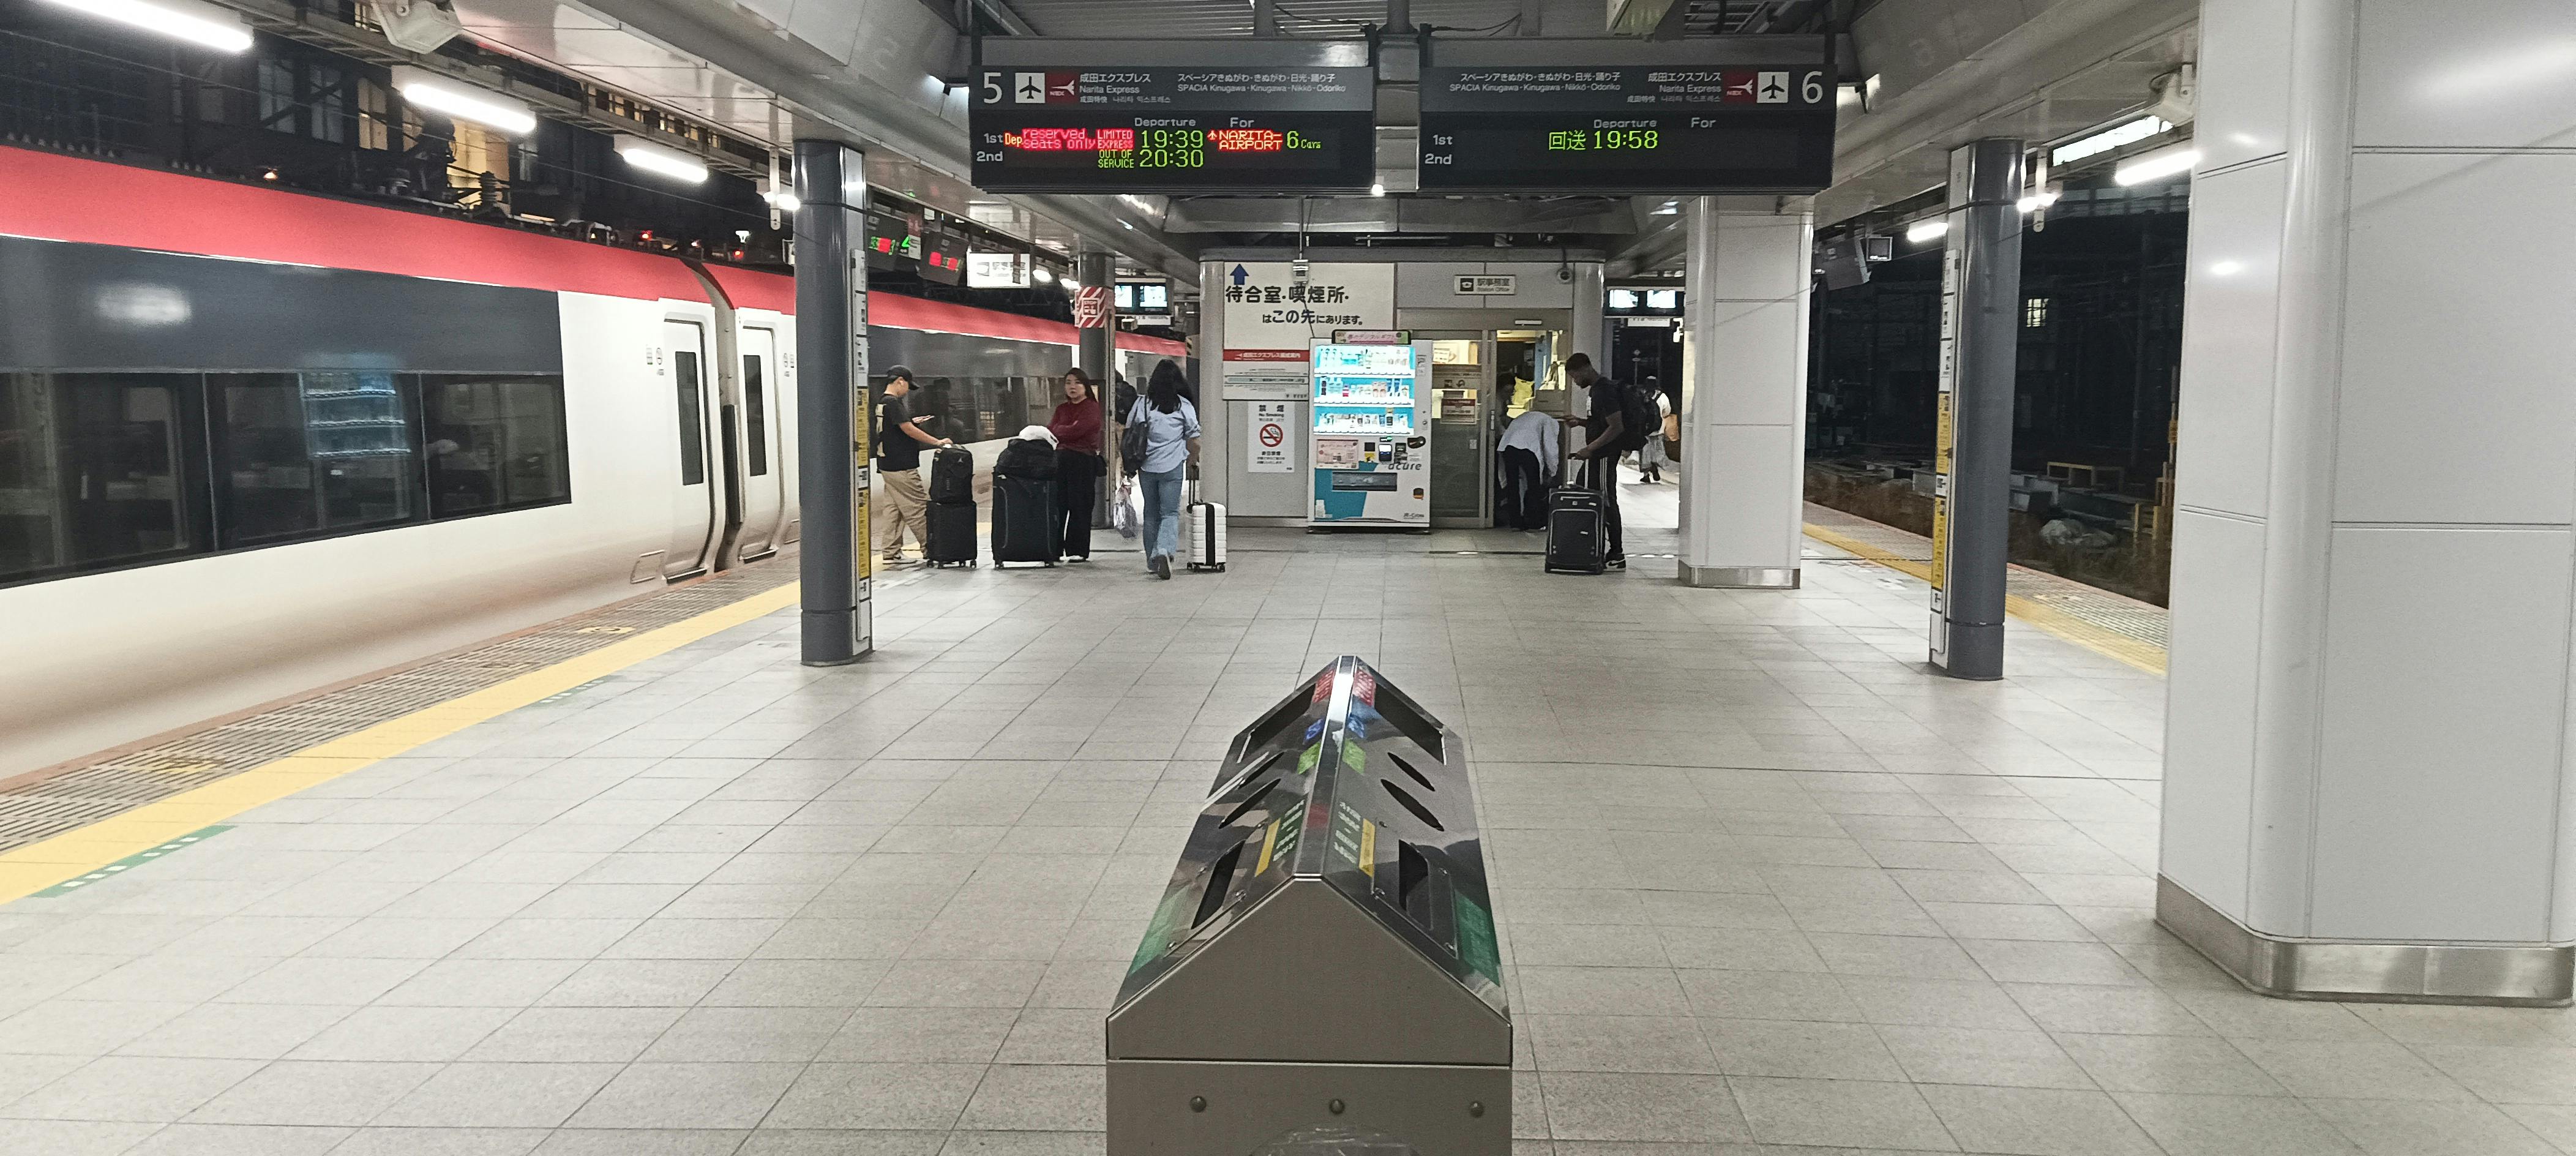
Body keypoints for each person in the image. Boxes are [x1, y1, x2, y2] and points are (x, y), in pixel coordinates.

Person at [1123, 359, 1200, 580]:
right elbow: (1195, 440)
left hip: (1147, 467)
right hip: (1173, 467)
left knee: (1151, 514)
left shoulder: (1142, 404)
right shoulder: (1183, 406)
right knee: (1170, 513)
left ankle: (1152, 562)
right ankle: (1164, 550)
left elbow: (1129, 432)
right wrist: (1192, 459)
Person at [874, 366, 952, 566]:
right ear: (900, 381)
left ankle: (891, 552)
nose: (907, 390)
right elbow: (907, 429)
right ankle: (933, 550)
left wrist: (912, 422)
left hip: (887, 464)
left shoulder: (882, 402)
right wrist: (937, 442)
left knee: (894, 510)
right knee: (917, 508)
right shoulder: (893, 402)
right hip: (902, 466)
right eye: (908, 385)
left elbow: (897, 428)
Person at [1564, 351, 1628, 569]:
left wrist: (1590, 449)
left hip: (1603, 456)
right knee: (1590, 495)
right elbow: (1601, 423)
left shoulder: (1605, 390)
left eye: (1575, 376)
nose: (1575, 381)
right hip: (1597, 456)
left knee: (1606, 500)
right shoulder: (1596, 391)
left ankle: (1617, 551)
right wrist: (1581, 422)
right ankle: (1595, 545)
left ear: (1586, 369)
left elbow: (1616, 426)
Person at [1048, 367, 1104, 562]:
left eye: (1077, 382)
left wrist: (1062, 430)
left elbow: (1079, 430)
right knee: (1058, 505)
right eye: (1068, 383)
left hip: (1082, 462)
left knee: (1080, 505)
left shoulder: (1091, 408)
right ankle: (1053, 549)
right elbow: (1051, 431)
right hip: (1060, 461)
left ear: (1085, 386)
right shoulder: (1062, 409)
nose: (1072, 386)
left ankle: (1077, 550)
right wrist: (1065, 430)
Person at [1495, 405, 1559, 531]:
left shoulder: (1524, 416)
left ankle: (1515, 523)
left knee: (1513, 486)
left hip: (1508, 448)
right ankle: (1534, 522)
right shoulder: (1550, 421)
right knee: (1533, 486)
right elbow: (1550, 446)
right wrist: (1553, 471)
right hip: (1528, 450)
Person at [1633, 378, 1672, 484]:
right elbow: (1667, 411)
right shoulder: (1663, 397)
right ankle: (1655, 467)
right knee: (1657, 451)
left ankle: (1646, 475)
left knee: (1645, 452)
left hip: (1645, 430)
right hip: (1659, 429)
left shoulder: (1643, 396)